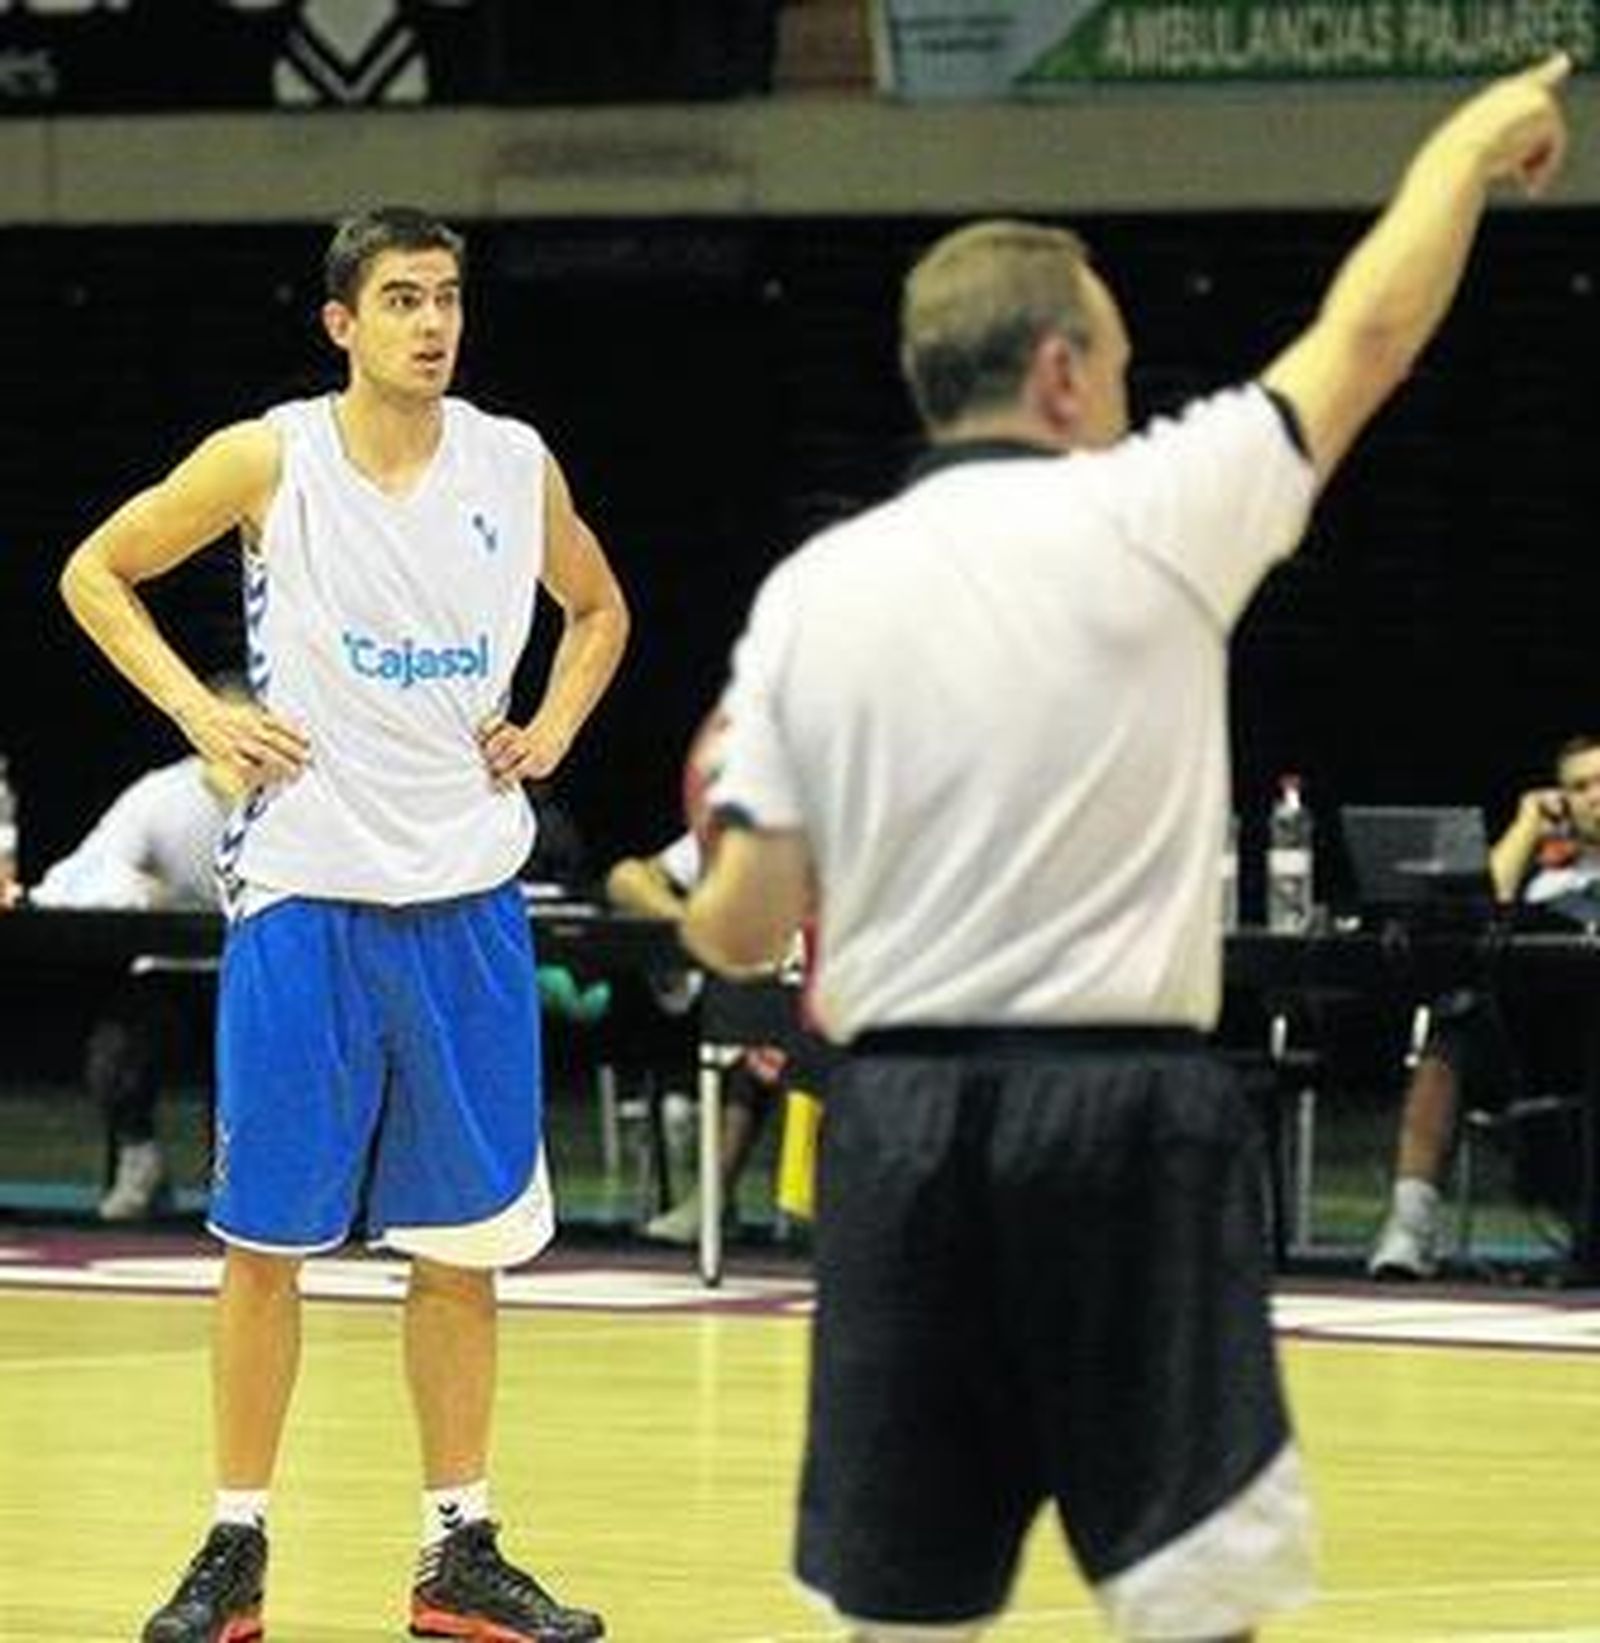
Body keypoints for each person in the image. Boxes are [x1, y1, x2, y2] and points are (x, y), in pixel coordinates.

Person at [680, 58, 1570, 1643]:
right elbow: (1366, 331)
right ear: (1063, 373)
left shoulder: (813, 591)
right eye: (1125, 356)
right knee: (1189, 1599)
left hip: (895, 1130)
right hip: (1121, 1121)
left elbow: (742, 931)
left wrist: (720, 848)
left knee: (904, 1609)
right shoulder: (1159, 509)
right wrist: (1464, 144)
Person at [58, 205, 628, 1643]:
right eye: (400, 299)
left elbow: (600, 604)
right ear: (341, 323)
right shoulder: (273, 456)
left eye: (446, 297)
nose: (432, 322)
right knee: (268, 1240)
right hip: (307, 895)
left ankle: (460, 1552)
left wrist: (551, 725)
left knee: (464, 1249)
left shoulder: (515, 460)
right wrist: (200, 709)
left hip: (466, 905)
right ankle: (234, 1545)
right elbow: (96, 570)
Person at [1368, 731, 1600, 1279]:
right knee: (1453, 1028)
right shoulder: (1545, 879)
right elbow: (1470, 917)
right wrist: (1525, 826)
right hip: (1532, 1046)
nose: (1594, 795)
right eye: (1579, 787)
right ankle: (1410, 1230)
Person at [23, 683, 247, 1220]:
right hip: (171, 975)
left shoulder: (302, 793)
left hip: (261, 976)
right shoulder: (160, 795)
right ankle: (139, 1158)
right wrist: (140, 888)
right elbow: (81, 874)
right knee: (118, 1049)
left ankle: (244, 1187)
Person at [604, 829, 786, 1244]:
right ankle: (709, 1200)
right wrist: (688, 920)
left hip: (791, 1001)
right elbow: (624, 878)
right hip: (707, 1003)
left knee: (752, 1047)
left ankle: (711, 1199)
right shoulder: (724, 829)